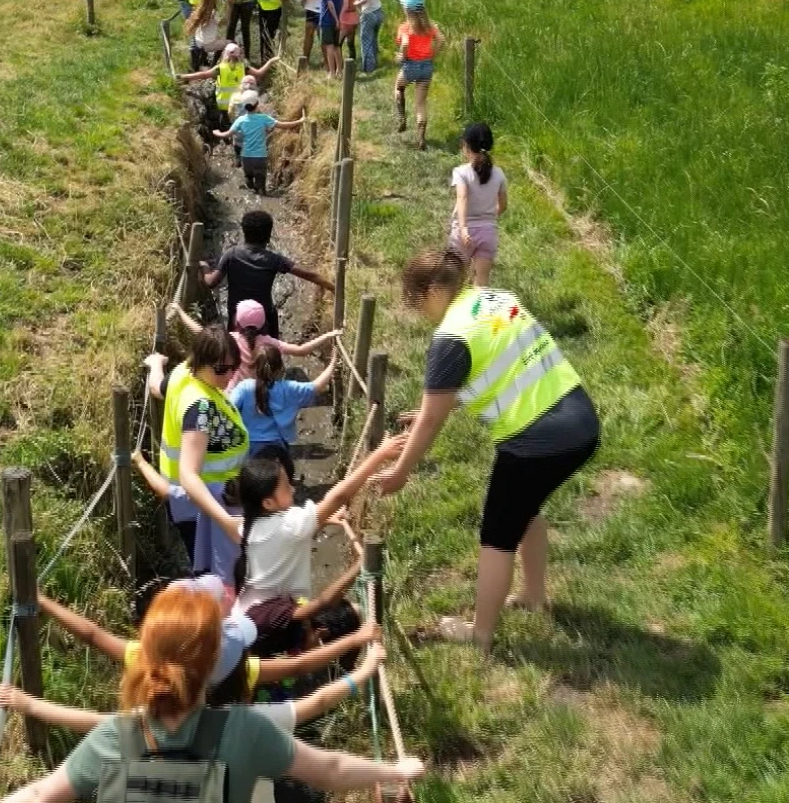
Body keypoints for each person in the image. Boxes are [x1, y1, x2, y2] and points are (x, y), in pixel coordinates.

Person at [0, 586, 420, 803]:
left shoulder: (113, 739)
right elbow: (331, 768)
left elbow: (40, 796)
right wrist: (396, 770)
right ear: (215, 659)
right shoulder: (246, 730)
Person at [372, 248, 601, 654]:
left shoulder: (449, 340)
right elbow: (501, 363)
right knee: (525, 507)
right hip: (579, 419)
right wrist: (434, 406)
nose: (416, 311)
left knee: (497, 534)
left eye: (413, 301)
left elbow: (431, 422)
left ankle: (480, 634)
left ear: (429, 292)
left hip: (538, 440)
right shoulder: (494, 298)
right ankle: (533, 595)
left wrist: (402, 471)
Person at [34, 583, 382, 705]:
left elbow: (92, 634)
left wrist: (43, 601)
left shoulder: (149, 660)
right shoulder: (243, 674)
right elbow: (302, 668)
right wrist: (360, 644)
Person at [0, 638, 386, 736]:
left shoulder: (150, 722)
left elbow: (93, 722)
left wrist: (28, 704)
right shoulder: (248, 722)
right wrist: (364, 670)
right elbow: (315, 702)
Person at [230, 444, 402, 651]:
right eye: (286, 487)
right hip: (271, 629)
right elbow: (337, 497)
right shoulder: (289, 525)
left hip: (249, 621)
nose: (293, 489)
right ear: (267, 503)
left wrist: (325, 519)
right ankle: (311, 661)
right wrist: (378, 455)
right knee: (355, 614)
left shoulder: (249, 525)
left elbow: (284, 539)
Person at [143, 327, 249, 566]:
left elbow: (156, 388)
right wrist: (226, 521)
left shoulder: (183, 373)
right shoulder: (200, 409)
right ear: (201, 361)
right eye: (221, 369)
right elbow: (189, 475)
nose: (230, 375)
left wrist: (155, 364)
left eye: (234, 367)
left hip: (189, 504)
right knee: (216, 573)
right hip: (206, 509)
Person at [204, 210, 335, 340]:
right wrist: (334, 288)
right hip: (264, 317)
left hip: (237, 317)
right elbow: (309, 275)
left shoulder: (231, 254)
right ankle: (275, 359)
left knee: (235, 352)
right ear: (268, 236)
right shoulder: (274, 259)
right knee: (273, 349)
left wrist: (204, 268)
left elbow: (211, 282)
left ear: (244, 232)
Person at [166, 300, 339, 389]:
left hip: (231, 395)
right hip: (258, 398)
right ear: (264, 324)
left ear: (236, 322)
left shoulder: (230, 338)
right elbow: (301, 350)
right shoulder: (268, 343)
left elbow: (200, 331)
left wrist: (181, 312)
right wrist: (328, 335)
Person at [132, 450, 241, 587]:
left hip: (219, 584)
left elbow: (165, 490)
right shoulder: (269, 509)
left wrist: (141, 462)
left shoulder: (211, 494)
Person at [230, 344, 336, 484]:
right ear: (281, 368)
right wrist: (334, 361)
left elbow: (228, 410)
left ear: (255, 366)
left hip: (247, 452)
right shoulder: (288, 388)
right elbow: (316, 386)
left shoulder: (244, 387)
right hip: (278, 450)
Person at [178, 45, 277, 143]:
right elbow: (259, 73)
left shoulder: (220, 68)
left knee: (226, 124)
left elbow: (203, 75)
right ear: (239, 55)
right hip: (240, 104)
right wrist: (271, 61)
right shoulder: (243, 67)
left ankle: (228, 138)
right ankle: (244, 141)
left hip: (224, 105)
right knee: (243, 123)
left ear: (225, 54)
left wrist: (183, 77)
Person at [449, 123, 508, 285]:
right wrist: (489, 217)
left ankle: (453, 309)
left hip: (464, 234)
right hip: (488, 232)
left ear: (466, 146)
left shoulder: (461, 172)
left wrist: (463, 228)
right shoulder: (499, 174)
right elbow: (503, 204)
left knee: (454, 279)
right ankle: (478, 310)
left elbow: (462, 198)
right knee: (481, 283)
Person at [214, 95, 304, 196]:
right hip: (260, 156)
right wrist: (300, 121)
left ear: (244, 106)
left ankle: (251, 187)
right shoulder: (263, 118)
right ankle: (261, 191)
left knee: (248, 177)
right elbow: (283, 125)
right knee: (260, 178)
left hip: (246, 156)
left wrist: (216, 132)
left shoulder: (240, 120)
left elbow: (226, 134)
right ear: (257, 106)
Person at [393, 0, 445, 150]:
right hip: (427, 67)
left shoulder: (405, 28)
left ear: (407, 11)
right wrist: (432, 55)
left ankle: (402, 117)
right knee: (421, 104)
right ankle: (421, 139)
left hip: (411, 66)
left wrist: (403, 55)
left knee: (398, 88)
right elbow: (441, 40)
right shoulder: (431, 27)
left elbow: (406, 43)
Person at [314, 0, 345, 78]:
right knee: (337, 46)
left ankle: (331, 72)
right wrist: (340, 18)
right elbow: (341, 2)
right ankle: (340, 71)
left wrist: (336, 19)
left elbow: (330, 4)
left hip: (327, 20)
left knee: (329, 47)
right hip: (338, 19)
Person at [186, 0, 226, 72]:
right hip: (207, 43)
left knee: (210, 39)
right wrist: (228, 11)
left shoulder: (198, 10)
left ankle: (198, 64)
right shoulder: (213, 13)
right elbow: (222, 24)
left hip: (198, 41)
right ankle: (214, 64)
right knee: (229, 43)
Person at [356, 0, 384, 74]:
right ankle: (375, 62)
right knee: (373, 40)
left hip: (368, 15)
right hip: (378, 12)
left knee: (366, 41)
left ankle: (368, 68)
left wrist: (357, 3)